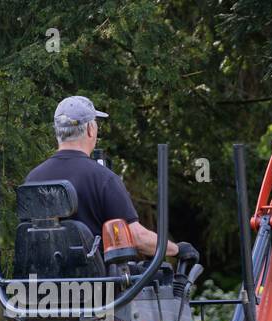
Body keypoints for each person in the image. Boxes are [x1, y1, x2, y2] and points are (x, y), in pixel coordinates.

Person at [24, 95, 179, 258]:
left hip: (41, 281)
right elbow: (136, 237)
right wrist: (177, 249)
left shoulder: (33, 179)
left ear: (57, 131)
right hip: (95, 282)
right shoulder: (103, 179)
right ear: (91, 129)